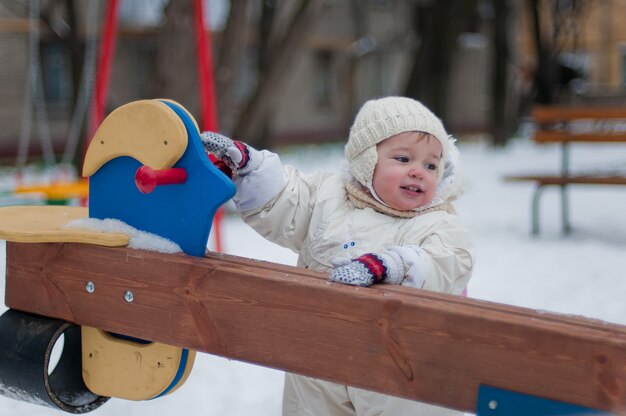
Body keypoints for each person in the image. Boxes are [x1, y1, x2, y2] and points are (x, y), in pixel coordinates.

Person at [201, 96, 474, 415]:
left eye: (431, 165)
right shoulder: (329, 198)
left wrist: (392, 266)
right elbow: (289, 198)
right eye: (403, 159)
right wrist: (249, 167)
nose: (418, 172)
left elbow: (447, 260)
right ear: (366, 160)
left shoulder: (439, 221)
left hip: (401, 364)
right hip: (320, 354)